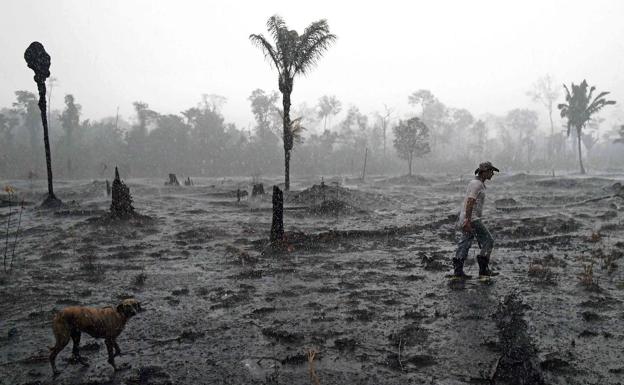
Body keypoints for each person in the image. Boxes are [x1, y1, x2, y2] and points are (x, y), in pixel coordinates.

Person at [452, 161, 499, 278]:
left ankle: (458, 271)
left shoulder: (476, 183)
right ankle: (483, 270)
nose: (492, 174)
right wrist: (468, 220)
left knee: (465, 241)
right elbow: (470, 202)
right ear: (485, 171)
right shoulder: (477, 184)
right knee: (488, 241)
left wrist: (465, 219)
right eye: (491, 171)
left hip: (467, 217)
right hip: (472, 218)